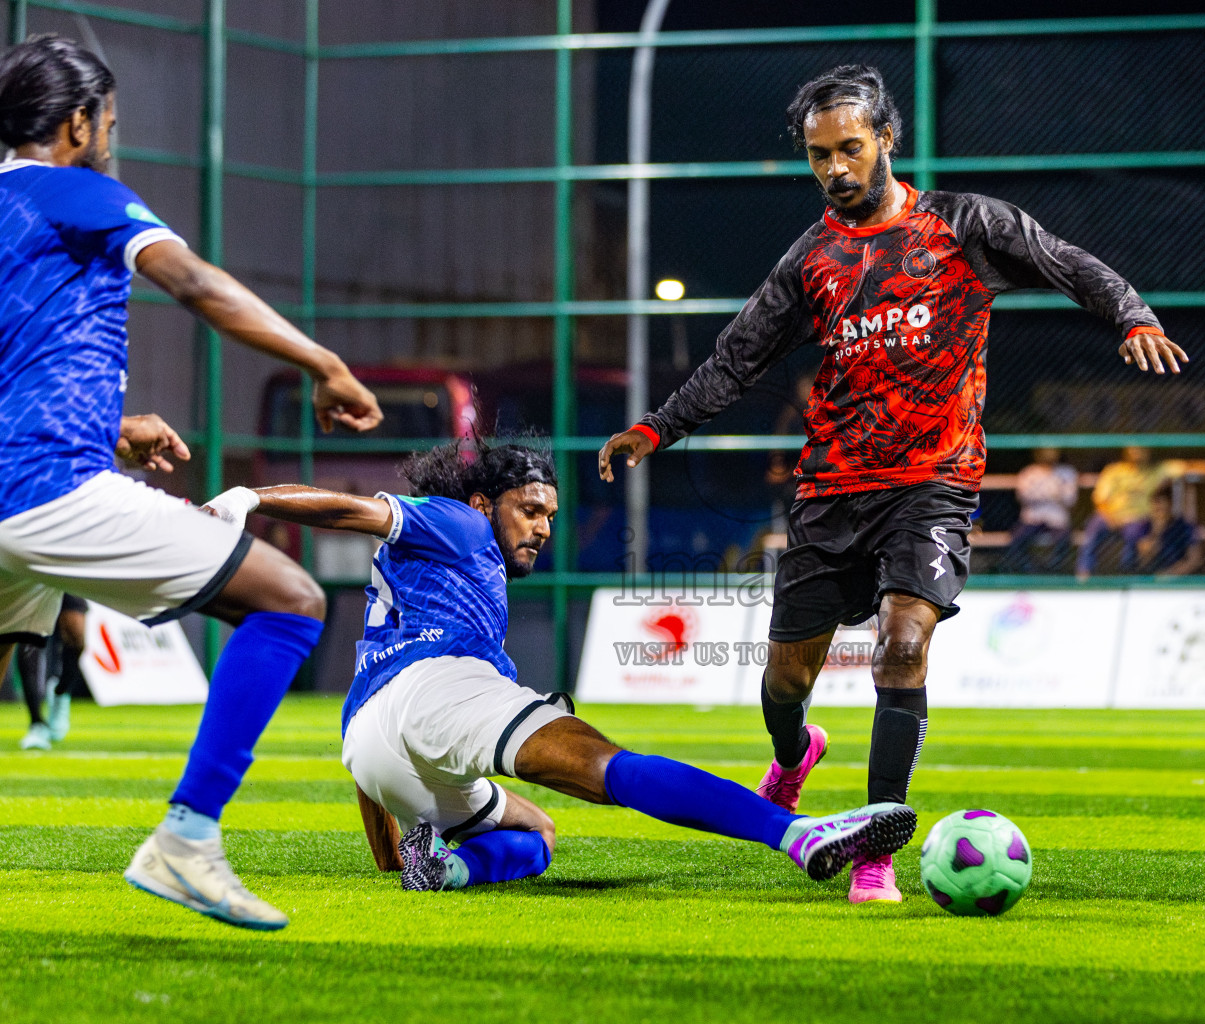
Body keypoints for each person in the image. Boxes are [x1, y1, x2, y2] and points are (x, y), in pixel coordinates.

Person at [597, 65, 1186, 903]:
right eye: (817, 156)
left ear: (885, 140)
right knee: (785, 684)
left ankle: (876, 843)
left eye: (848, 149)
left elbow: (1067, 263)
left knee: (902, 645)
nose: (834, 169)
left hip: (934, 483)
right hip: (831, 489)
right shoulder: (813, 258)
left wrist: (1131, 314)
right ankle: (796, 752)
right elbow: (739, 356)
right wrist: (657, 426)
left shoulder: (964, 224)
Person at [0, 36, 384, 930]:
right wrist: (322, 361)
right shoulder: (83, 191)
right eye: (110, 124)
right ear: (77, 123)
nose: (110, 138)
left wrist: (112, 425)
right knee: (289, 599)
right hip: (46, 490)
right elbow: (198, 284)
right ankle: (187, 839)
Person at [202, 441, 916, 893]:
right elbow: (356, 510)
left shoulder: (428, 591)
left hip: (368, 742)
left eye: (549, 514)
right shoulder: (461, 521)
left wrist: (389, 835)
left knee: (537, 836)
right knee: (606, 767)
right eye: (531, 509)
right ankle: (797, 835)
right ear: (486, 502)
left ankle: (445, 868)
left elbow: (376, 717)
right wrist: (249, 500)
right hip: (438, 691)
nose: (544, 527)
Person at [1077, 447, 1205, 578]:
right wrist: (1111, 516)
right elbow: (1099, 500)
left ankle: (1127, 572)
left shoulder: (1156, 470)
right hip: (1112, 516)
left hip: (1139, 519)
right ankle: (1084, 570)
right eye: (1135, 449)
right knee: (1095, 524)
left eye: (1142, 449)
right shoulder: (1114, 471)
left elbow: (1189, 466)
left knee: (1136, 535)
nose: (1138, 453)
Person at [14, 594, 86, 750]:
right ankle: (37, 723)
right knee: (28, 637)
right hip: (33, 577)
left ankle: (61, 693)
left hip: (66, 573)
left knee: (76, 635)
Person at [999, 447, 1078, 573]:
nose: (1049, 456)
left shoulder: (1066, 472)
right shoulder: (1029, 472)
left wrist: (1044, 494)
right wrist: (1052, 495)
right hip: (1033, 519)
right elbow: (1023, 496)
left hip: (1056, 519)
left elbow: (1070, 499)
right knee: (1016, 538)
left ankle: (1056, 571)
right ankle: (1025, 570)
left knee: (1064, 538)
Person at [1133, 488, 1201, 575]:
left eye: (1162, 506)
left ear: (1170, 505)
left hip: (1178, 578)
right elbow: (1143, 560)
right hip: (1149, 577)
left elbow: (1194, 560)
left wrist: (1171, 574)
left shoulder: (1184, 527)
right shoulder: (1145, 527)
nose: (1158, 510)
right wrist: (1157, 530)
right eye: (1155, 507)